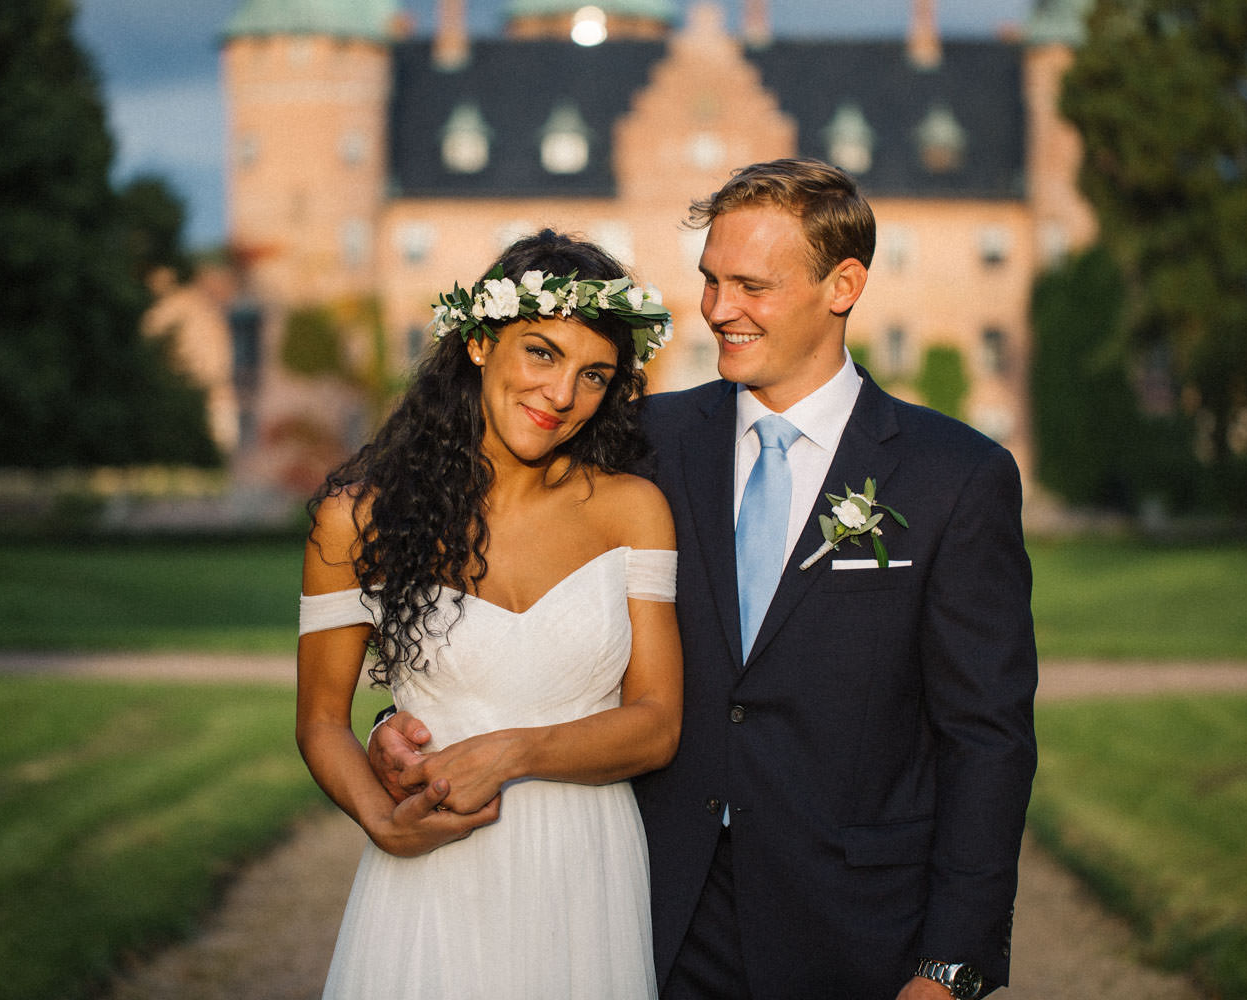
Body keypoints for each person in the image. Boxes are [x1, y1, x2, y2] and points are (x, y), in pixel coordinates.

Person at [374, 159, 1038, 1000]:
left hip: (857, 923)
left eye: (751, 286)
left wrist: (950, 966)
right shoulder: (636, 442)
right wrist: (405, 715)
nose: (719, 310)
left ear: (844, 284)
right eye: (711, 281)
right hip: (644, 908)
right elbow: (508, 589)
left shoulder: (955, 476)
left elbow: (988, 739)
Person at [297, 230, 684, 999]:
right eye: (541, 352)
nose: (562, 394)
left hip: (586, 874)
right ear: (479, 343)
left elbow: (657, 724)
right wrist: (382, 819)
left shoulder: (633, 511)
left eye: (594, 374)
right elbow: (320, 722)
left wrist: (510, 753)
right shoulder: (357, 520)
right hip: (434, 872)